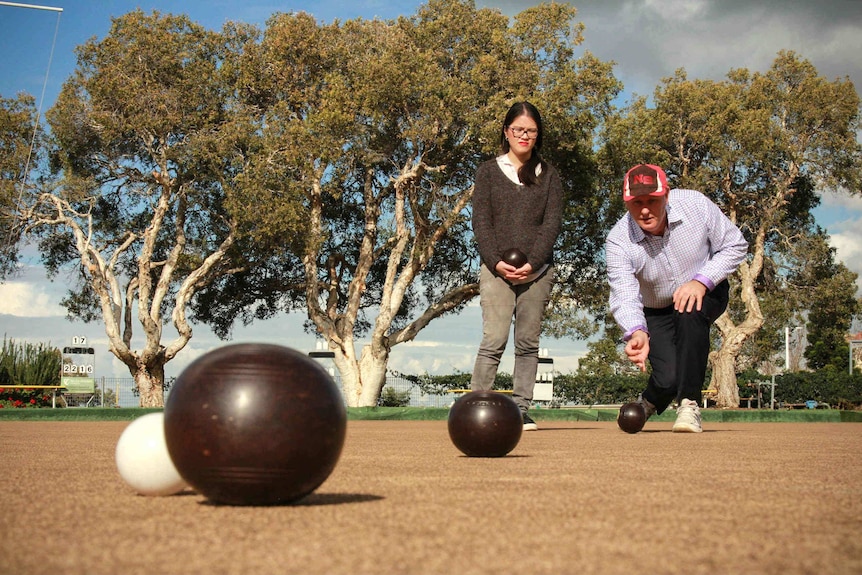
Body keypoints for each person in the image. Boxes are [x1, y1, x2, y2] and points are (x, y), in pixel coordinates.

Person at [605, 164, 748, 432]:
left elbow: (735, 245)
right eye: (636, 203)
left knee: (689, 310)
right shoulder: (618, 240)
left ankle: (689, 405)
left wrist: (700, 281)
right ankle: (649, 401)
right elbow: (624, 292)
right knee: (669, 376)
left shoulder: (695, 204)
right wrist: (636, 331)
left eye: (652, 200)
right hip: (656, 307)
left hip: (707, 290)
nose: (645, 210)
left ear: (666, 195)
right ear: (626, 203)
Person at [470, 101, 563, 431]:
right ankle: (476, 404)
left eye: (531, 131)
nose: (524, 135)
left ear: (538, 136)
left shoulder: (549, 176)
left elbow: (551, 224)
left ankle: (521, 409)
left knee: (527, 343)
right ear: (506, 131)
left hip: (537, 274)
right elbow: (482, 223)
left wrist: (533, 263)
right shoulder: (487, 172)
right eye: (518, 129)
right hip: (496, 271)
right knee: (493, 340)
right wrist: (496, 262)